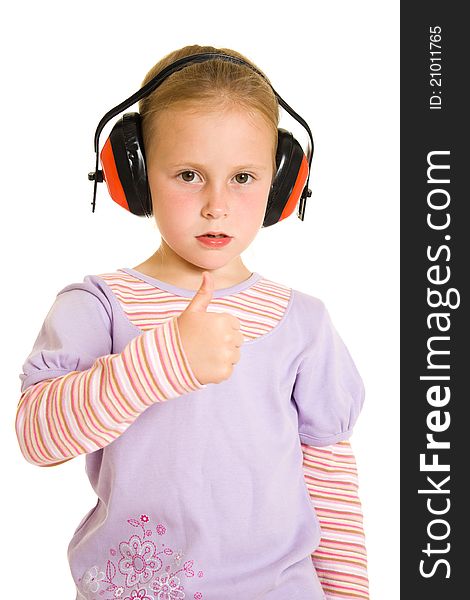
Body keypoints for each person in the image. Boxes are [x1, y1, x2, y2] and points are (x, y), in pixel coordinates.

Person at [15, 45, 369, 600]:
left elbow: (329, 481)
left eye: (244, 177)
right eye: (187, 174)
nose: (216, 204)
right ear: (131, 176)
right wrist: (162, 364)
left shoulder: (304, 322)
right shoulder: (99, 307)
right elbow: (39, 438)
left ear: (282, 185)